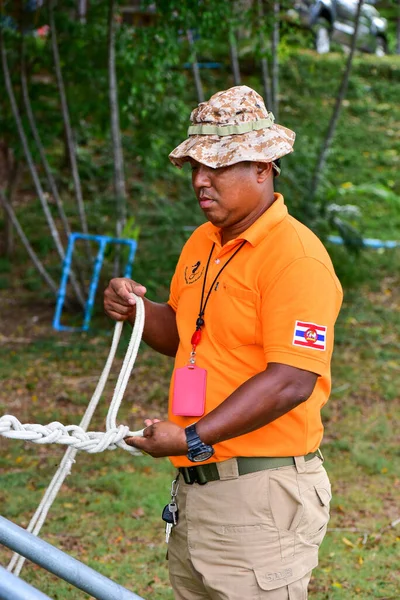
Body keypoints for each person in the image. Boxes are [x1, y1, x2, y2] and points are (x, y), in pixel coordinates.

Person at [104, 85, 343, 600]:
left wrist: (192, 438)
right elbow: (184, 336)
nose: (199, 180)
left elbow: (291, 381)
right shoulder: (203, 241)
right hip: (199, 493)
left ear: (263, 167)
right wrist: (138, 311)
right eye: (194, 166)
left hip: (260, 496)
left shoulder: (295, 258)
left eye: (216, 167)